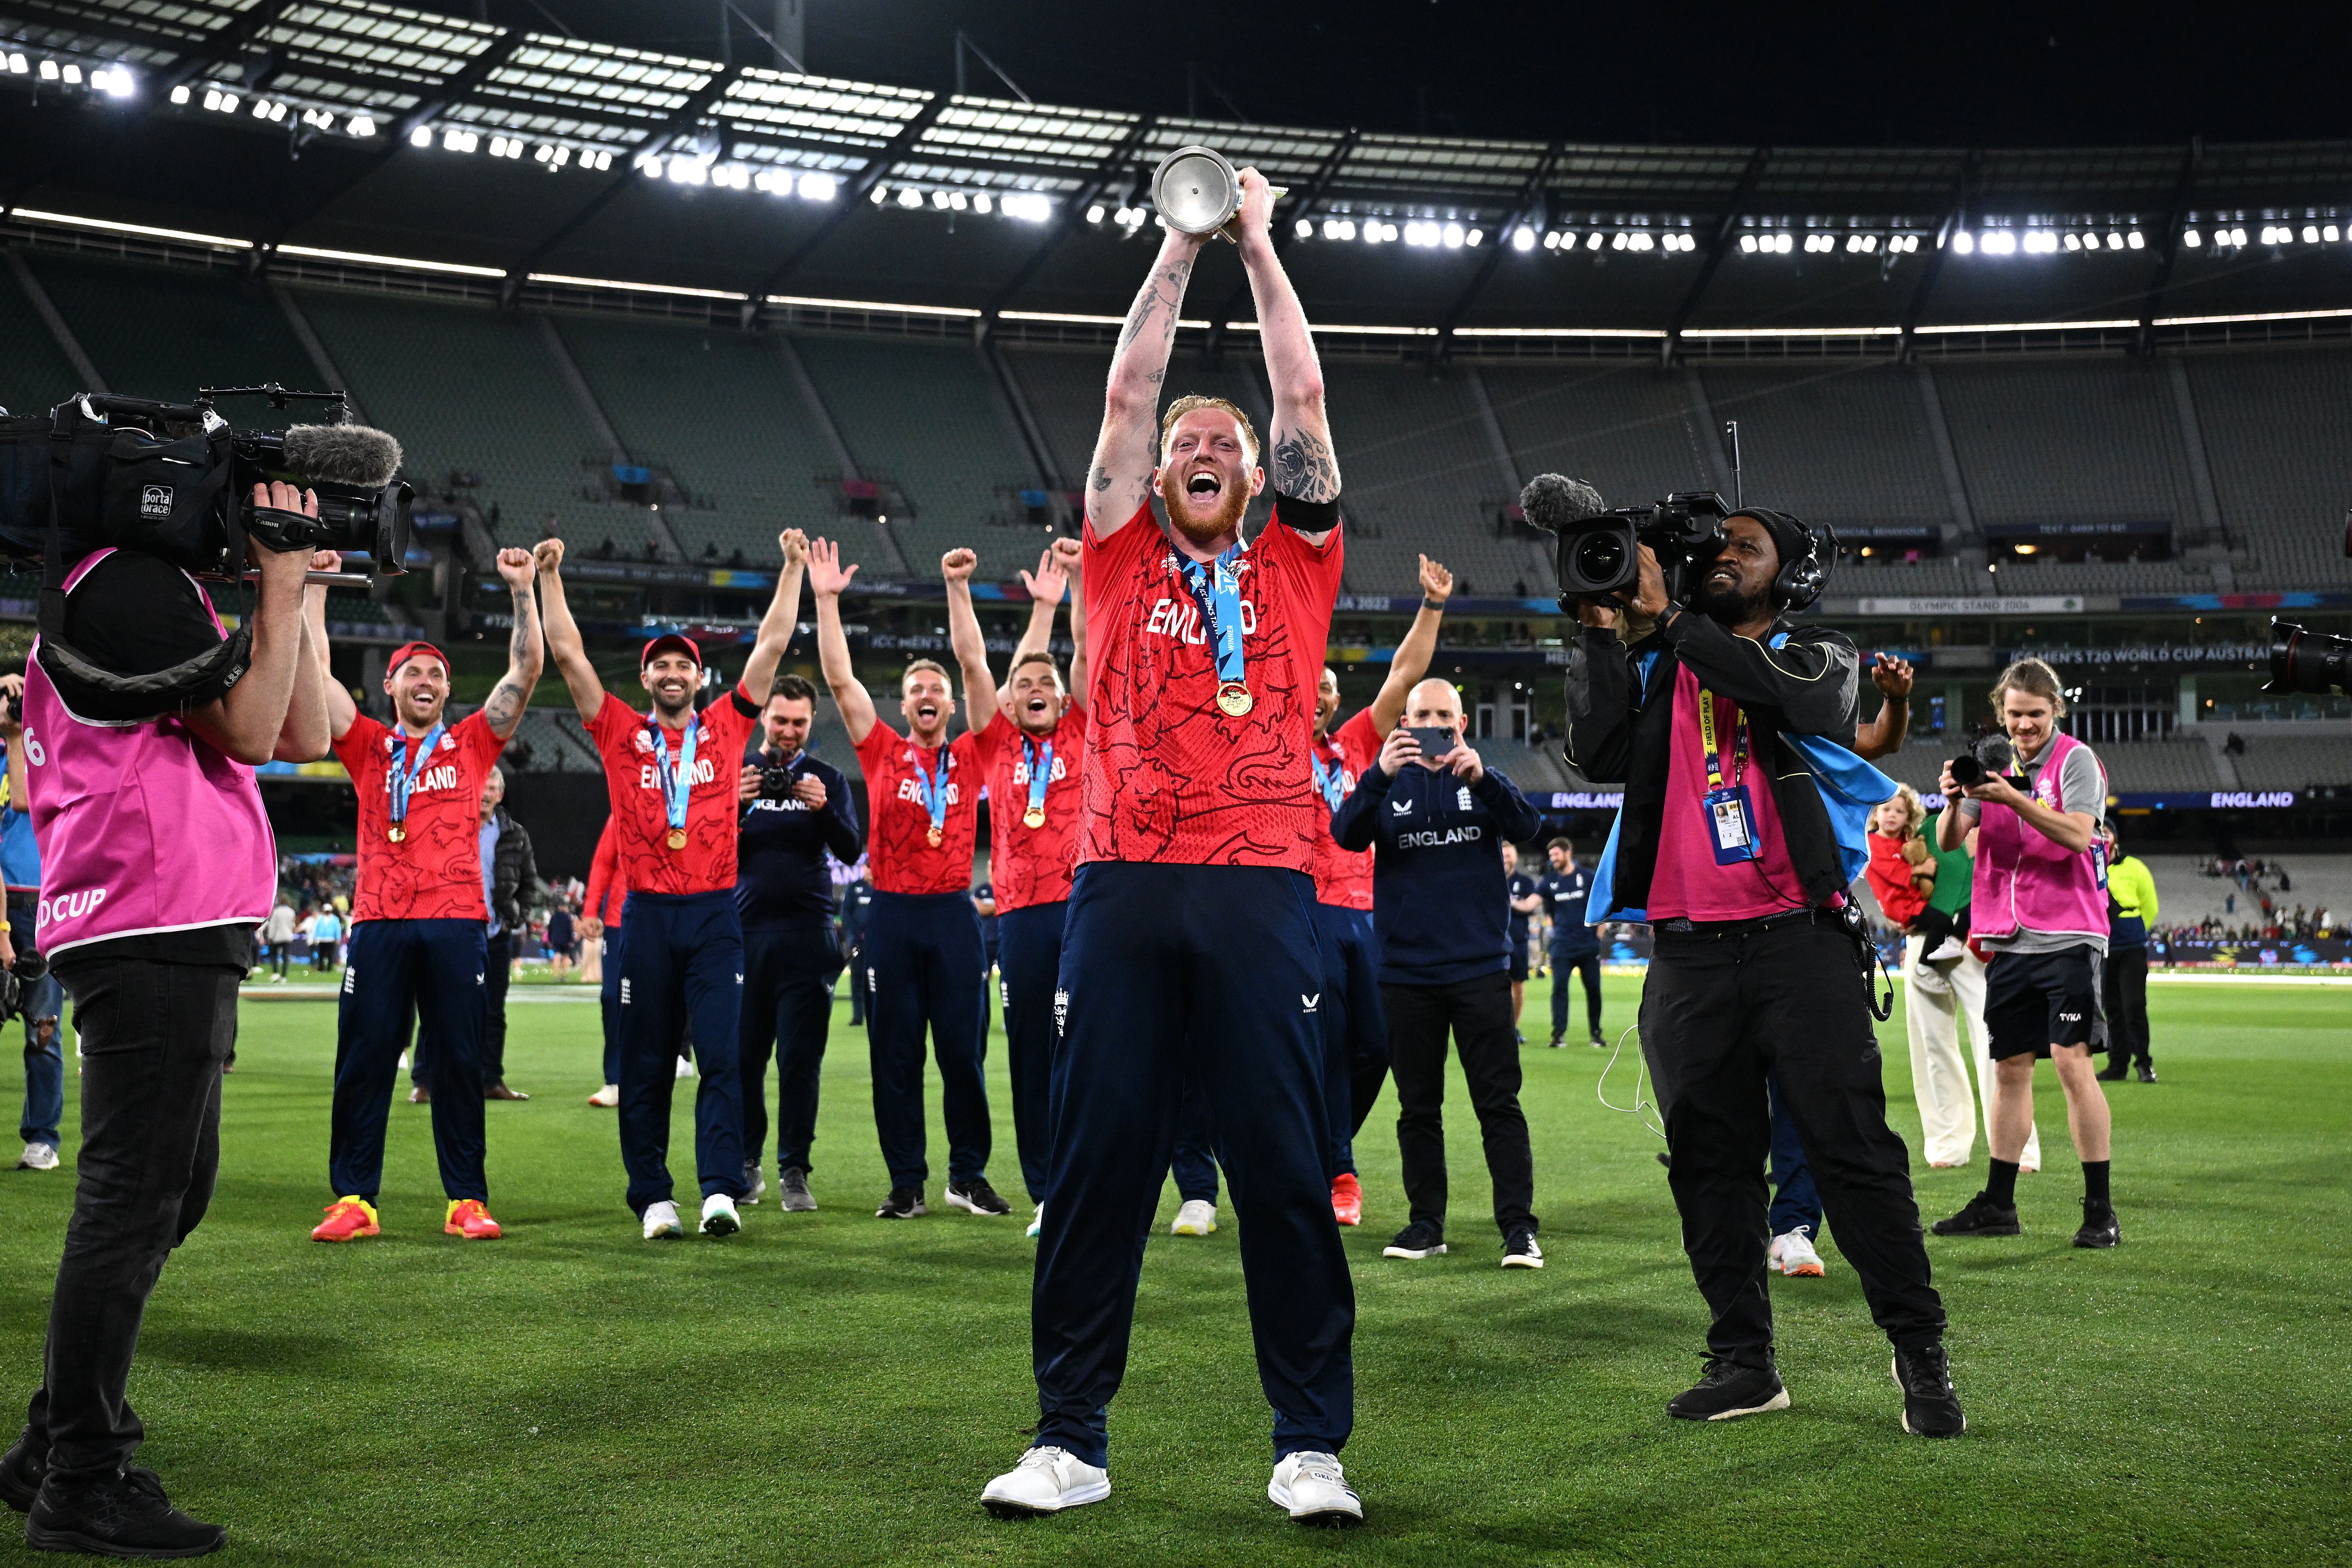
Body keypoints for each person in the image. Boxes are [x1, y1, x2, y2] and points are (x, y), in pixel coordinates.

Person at [982, 166, 1362, 1526]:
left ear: (1255, 474)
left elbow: (1306, 399)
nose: (1202, 443)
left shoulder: (1295, 565)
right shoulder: (1116, 557)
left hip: (1266, 891)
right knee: (1099, 1162)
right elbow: (1125, 394)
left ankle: (1310, 1443)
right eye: (1184, 439)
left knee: (1280, 1161)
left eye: (1227, 439)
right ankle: (1067, 1437)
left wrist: (1259, 246)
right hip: (1123, 888)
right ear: (1158, 474)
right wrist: (1177, 245)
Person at [1564, 506, 1961, 1439]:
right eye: (1718, 546)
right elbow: (1596, 749)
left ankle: (1920, 1348)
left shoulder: (1814, 649)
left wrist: (1669, 624)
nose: (1724, 556)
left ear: (1791, 574)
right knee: (1708, 1167)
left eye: (1749, 547)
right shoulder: (1662, 659)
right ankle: (1743, 1362)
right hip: (1687, 953)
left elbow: (1794, 704)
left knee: (1852, 1155)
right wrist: (1596, 627)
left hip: (1799, 943)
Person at [0, 484, 331, 1554]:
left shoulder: (143, 585)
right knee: (132, 1200)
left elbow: (310, 725)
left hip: (172, 915)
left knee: (168, 1193)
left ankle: (51, 1445)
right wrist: (277, 579)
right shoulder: (129, 583)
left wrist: (303, 594)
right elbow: (244, 730)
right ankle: (82, 1478)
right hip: (150, 910)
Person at [535, 529, 800, 1241]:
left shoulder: (727, 726)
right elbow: (569, 656)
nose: (674, 672)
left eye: (685, 663)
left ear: (699, 677)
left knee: (720, 1055)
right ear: (648, 680)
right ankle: (653, 1194)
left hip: (715, 915)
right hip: (646, 915)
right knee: (644, 1061)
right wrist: (550, 577)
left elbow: (771, 648)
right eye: (663, 665)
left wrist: (794, 570)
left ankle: (718, 1189)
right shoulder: (620, 732)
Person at [308, 545, 544, 1244]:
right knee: (365, 1057)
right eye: (414, 670)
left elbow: (525, 670)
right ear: (390, 685)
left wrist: (522, 591)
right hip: (379, 920)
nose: (428, 679)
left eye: (437, 674)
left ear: (446, 692)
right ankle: (354, 1198)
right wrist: (317, 587)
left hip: (455, 922)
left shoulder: (472, 745)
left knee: (460, 1060)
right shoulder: (367, 745)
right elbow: (315, 675)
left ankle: (466, 1199)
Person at [807, 537, 1008, 1221]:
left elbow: (977, 663)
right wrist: (827, 601)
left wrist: (956, 587)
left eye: (936, 690)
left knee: (962, 1055)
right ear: (903, 706)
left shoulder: (974, 755)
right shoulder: (882, 751)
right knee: (895, 1056)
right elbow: (839, 680)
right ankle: (906, 1181)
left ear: (950, 707)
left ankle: (968, 1174)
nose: (927, 695)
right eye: (916, 689)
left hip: (953, 912)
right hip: (890, 914)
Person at [1332, 678, 1545, 1268]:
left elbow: (1528, 827)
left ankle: (1518, 1228)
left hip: (1479, 969)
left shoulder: (1482, 781)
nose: (1432, 722)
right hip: (1405, 973)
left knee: (1498, 1103)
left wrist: (1486, 778)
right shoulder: (1386, 781)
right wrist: (1376, 774)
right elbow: (1344, 834)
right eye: (1420, 713)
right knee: (1417, 1108)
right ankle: (1426, 1224)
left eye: (1442, 714)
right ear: (1404, 722)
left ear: (1461, 723)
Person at [1934, 659, 2119, 1248]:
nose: (2024, 725)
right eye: (2014, 714)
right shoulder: (1994, 765)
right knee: (2009, 1068)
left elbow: (2076, 833)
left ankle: (2099, 1210)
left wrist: (2010, 800)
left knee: (2071, 1062)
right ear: (2000, 712)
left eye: (2035, 714)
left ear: (2054, 710)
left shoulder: (2075, 760)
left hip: (2068, 932)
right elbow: (1947, 842)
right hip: (2009, 935)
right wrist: (1953, 798)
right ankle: (1998, 1203)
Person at [1306, 555, 1453, 1228]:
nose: (1315, 692)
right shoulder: (1267, 748)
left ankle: (1328, 1148)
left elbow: (1405, 675)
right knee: (1313, 1046)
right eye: (1304, 681)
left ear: (1335, 702)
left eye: (1327, 685)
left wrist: (1431, 606)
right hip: (1295, 913)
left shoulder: (1359, 743)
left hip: (1365, 915)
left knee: (1375, 1048)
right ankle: (1337, 1169)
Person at [967, 539, 1089, 1235]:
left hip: (1084, 911)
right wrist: (961, 589)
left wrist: (1074, 581)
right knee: (1029, 1056)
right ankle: (1047, 1192)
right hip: (1018, 915)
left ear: (1063, 695)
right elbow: (971, 662)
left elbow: (1081, 645)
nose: (1035, 688)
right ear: (1010, 702)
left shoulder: (1081, 725)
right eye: (1023, 685)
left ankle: (1091, 1181)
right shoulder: (996, 744)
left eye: (1046, 681)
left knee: (1090, 1045)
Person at [734, 670, 860, 1213]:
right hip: (742, 937)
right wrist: (732, 806)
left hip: (808, 939)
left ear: (812, 723)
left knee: (800, 1063)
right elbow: (703, 848)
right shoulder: (735, 775)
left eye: (799, 723)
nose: (788, 731)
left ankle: (794, 1171)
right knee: (743, 1062)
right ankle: (745, 1162)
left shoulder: (828, 778)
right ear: (765, 715)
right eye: (781, 720)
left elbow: (853, 852)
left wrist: (823, 809)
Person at [0, 675, 66, 1173]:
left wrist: (20, 733)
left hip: (43, 903)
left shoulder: (51, 747)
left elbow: (26, 801)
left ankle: (42, 1137)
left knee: (43, 1031)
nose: (14, 701)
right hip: (5, 903)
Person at [475, 769, 538, 1102]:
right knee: (439, 1009)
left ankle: (491, 1081)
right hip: (456, 933)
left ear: (501, 794)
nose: (485, 793)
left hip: (496, 934)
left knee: (495, 1011)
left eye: (492, 787)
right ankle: (426, 1081)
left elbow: (529, 882)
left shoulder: (515, 834)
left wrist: (518, 916)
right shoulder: (452, 827)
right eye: (481, 785)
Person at [2097, 822, 2159, 1085]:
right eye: (2099, 832)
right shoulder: (2090, 866)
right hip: (2104, 946)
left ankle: (2143, 1063)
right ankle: (2118, 1064)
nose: (2103, 837)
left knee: (2134, 1005)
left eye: (2107, 832)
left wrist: (2133, 931)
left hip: (2131, 946)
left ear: (2116, 838)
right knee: (2112, 1008)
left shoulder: (2135, 867)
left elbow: (2150, 906)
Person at [1537, 838, 1604, 1048]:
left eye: (1556, 855)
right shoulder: (1549, 882)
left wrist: (1598, 936)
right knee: (1559, 988)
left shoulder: (1588, 877)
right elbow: (1544, 909)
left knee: (1593, 989)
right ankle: (1558, 1034)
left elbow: (1603, 903)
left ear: (1568, 853)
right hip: (1562, 946)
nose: (1553, 859)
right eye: (1551, 856)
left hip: (1588, 944)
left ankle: (1595, 1033)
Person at [581, 819, 626, 1106]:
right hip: (620, 919)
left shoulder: (688, 797)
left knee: (660, 1002)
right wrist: (590, 909)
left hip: (669, 916)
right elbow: (604, 861)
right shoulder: (623, 807)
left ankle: (651, 1074)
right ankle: (615, 1081)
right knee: (612, 997)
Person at [1504, 841, 1538, 1040]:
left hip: (1518, 941)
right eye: (1504, 856)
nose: (1507, 860)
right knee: (1493, 986)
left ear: (1515, 858)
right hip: (1494, 943)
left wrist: (1512, 903)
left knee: (1518, 984)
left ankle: (1513, 1028)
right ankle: (1497, 1028)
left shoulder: (1525, 882)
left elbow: (1529, 906)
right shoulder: (1490, 880)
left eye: (1510, 856)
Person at [838, 862, 874, 1028]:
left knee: (876, 980)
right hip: (857, 944)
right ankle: (858, 1016)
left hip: (877, 942)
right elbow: (845, 913)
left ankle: (875, 1015)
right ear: (864, 869)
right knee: (857, 979)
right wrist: (859, 932)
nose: (871, 871)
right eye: (869, 867)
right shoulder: (854, 888)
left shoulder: (882, 889)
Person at [261, 895, 297, 982]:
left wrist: (270, 937)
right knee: (286, 956)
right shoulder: (291, 912)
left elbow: (273, 925)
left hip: (277, 937)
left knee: (274, 955)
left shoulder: (276, 912)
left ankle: (276, 972)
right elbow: (293, 925)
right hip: (287, 936)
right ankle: (284, 976)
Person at [546, 902, 575, 979]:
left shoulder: (554, 917)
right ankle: (564, 975)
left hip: (556, 939)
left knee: (557, 955)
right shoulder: (568, 917)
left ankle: (555, 975)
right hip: (566, 940)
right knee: (566, 956)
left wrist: (550, 939)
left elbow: (550, 929)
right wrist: (571, 940)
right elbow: (570, 929)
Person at [312, 904, 342, 971]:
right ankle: (321, 968)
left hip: (331, 939)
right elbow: (317, 929)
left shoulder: (335, 919)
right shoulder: (321, 919)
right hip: (322, 939)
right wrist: (315, 937)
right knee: (321, 955)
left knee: (330, 955)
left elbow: (338, 929)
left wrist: (338, 938)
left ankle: (329, 968)